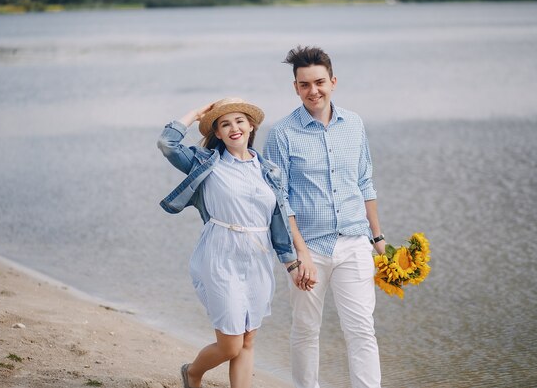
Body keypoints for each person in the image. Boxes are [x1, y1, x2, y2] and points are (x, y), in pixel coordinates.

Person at [157, 97, 304, 388]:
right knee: (230, 345)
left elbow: (278, 220)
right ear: (219, 134)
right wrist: (197, 114)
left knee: (248, 340)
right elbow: (167, 143)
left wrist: (293, 264)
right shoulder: (205, 163)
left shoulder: (270, 170)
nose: (233, 128)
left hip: (258, 258)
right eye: (225, 124)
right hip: (220, 254)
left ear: (251, 126)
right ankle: (193, 372)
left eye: (239, 121)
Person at [263, 46, 387, 388]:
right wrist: (299, 254)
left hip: (354, 242)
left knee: (362, 328)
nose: (313, 91)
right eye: (304, 85)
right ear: (295, 88)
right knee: (305, 330)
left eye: (319, 82)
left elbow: (365, 181)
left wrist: (378, 239)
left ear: (333, 81)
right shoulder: (282, 133)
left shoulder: (354, 124)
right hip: (310, 249)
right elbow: (279, 199)